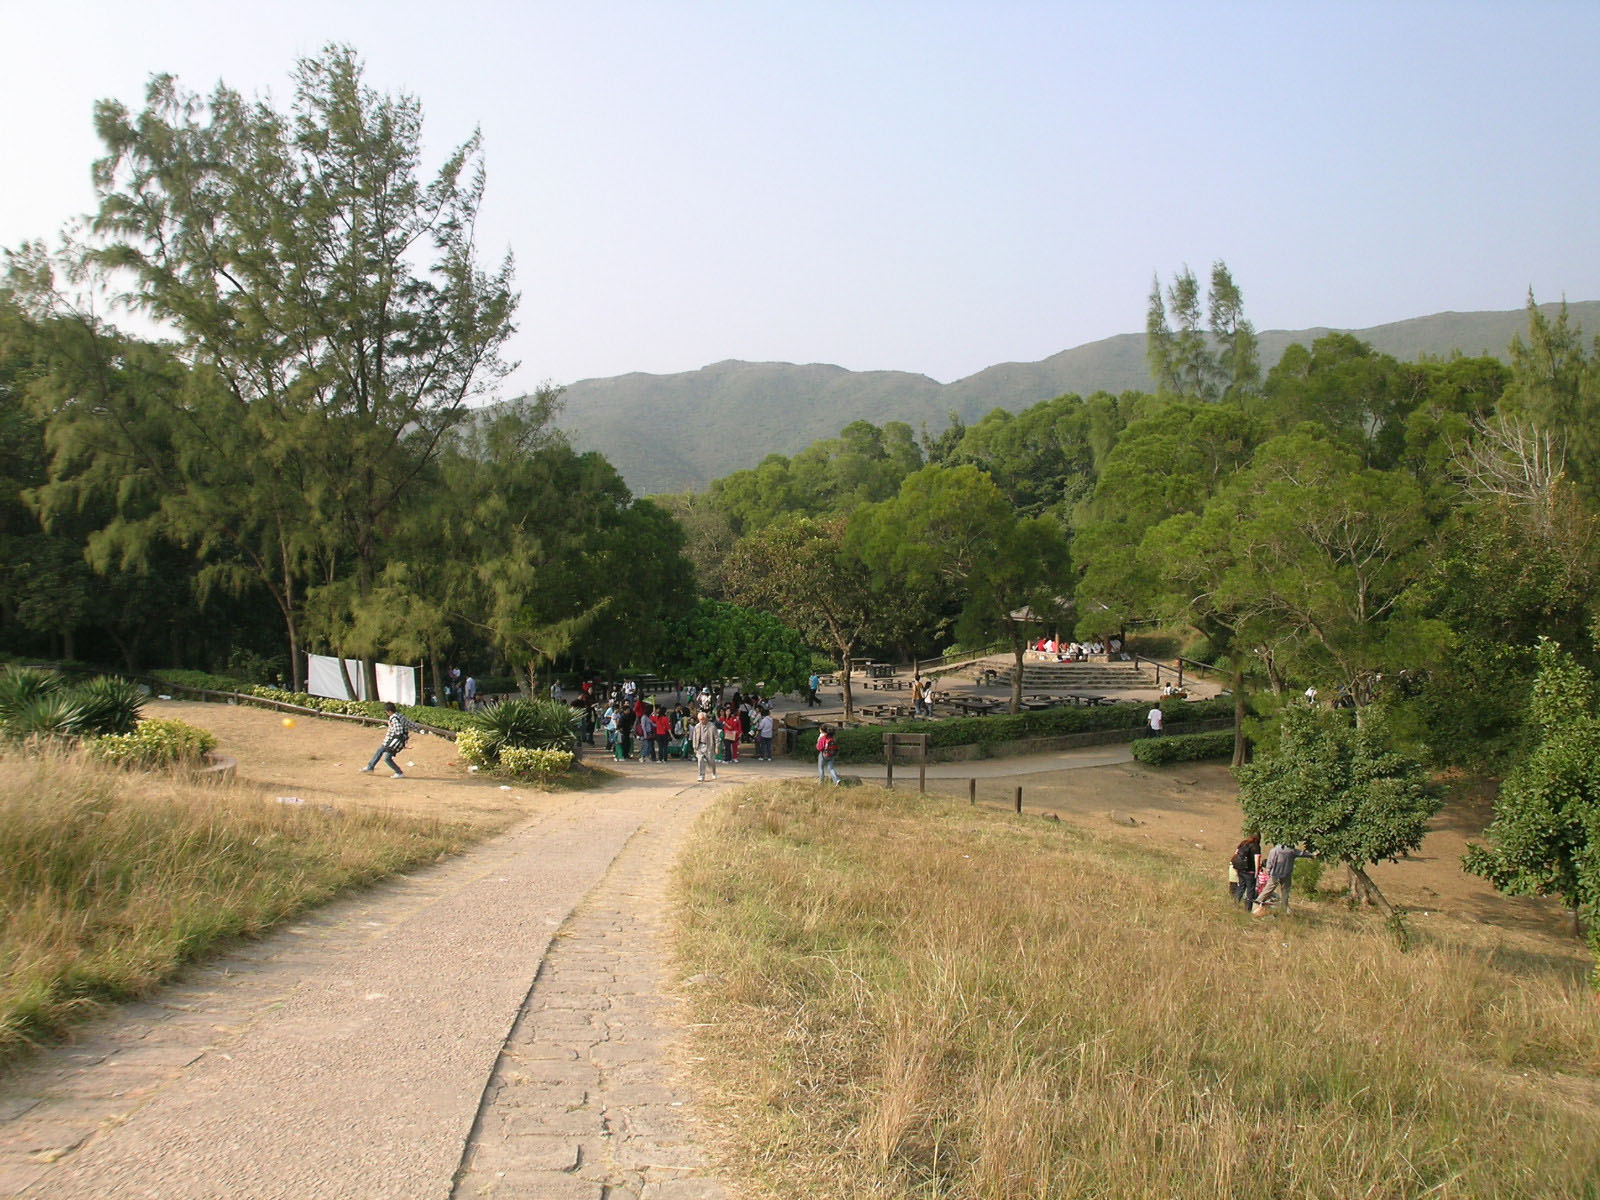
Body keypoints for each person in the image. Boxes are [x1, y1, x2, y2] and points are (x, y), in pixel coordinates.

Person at [1254, 842, 1318, 916]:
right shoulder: (1291, 851)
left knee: (1268, 889)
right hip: (1286, 874)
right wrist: (1312, 855)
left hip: (1275, 874)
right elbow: (1302, 853)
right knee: (1285, 892)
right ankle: (1283, 909)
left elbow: (1270, 862)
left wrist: (1268, 870)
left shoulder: (1274, 850)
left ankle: (1257, 903)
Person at [362, 702, 422, 778]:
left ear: (389, 711)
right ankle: (370, 767)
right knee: (380, 751)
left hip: (393, 741)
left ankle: (399, 772)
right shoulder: (400, 716)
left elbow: (398, 730)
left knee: (387, 758)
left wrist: (396, 738)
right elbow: (412, 724)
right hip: (392, 741)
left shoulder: (393, 718)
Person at [1230, 834, 1262, 907]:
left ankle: (1235, 903)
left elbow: (1236, 854)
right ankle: (1248, 908)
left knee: (1241, 887)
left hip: (1241, 869)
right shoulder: (1256, 847)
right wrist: (1256, 873)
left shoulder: (1244, 843)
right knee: (1250, 890)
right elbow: (1257, 860)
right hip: (1250, 871)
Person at [691, 710, 719, 781]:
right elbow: (694, 737)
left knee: (711, 761)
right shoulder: (697, 726)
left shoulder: (712, 726)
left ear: (706, 718)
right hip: (700, 745)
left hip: (709, 745)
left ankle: (714, 772)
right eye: (700, 720)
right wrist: (695, 747)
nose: (701, 721)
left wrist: (717, 747)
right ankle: (701, 775)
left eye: (702, 719)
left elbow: (716, 738)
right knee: (700, 760)